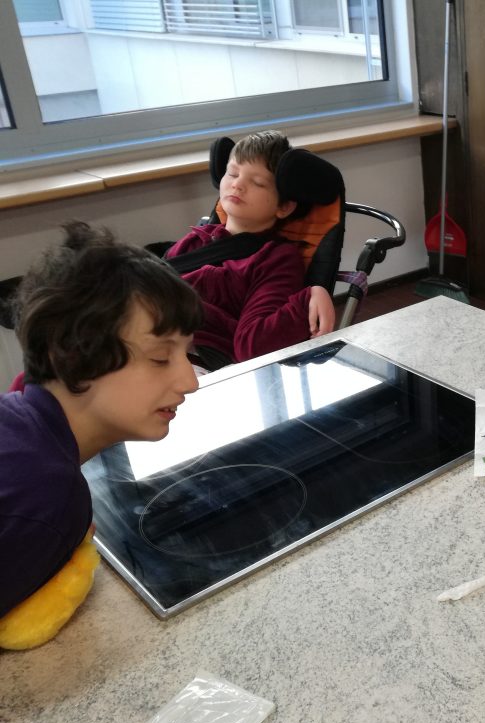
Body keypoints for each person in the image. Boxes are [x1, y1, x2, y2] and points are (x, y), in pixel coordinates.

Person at [0, 222, 203, 649]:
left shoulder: (15, 415)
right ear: (72, 357)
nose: (190, 381)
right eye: (160, 357)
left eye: (188, 354)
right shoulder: (50, 494)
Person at [166, 129, 336, 365]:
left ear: (284, 207)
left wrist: (307, 299)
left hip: (199, 360)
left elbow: (251, 346)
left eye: (257, 182)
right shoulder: (194, 241)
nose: (237, 184)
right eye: (232, 173)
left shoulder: (275, 259)